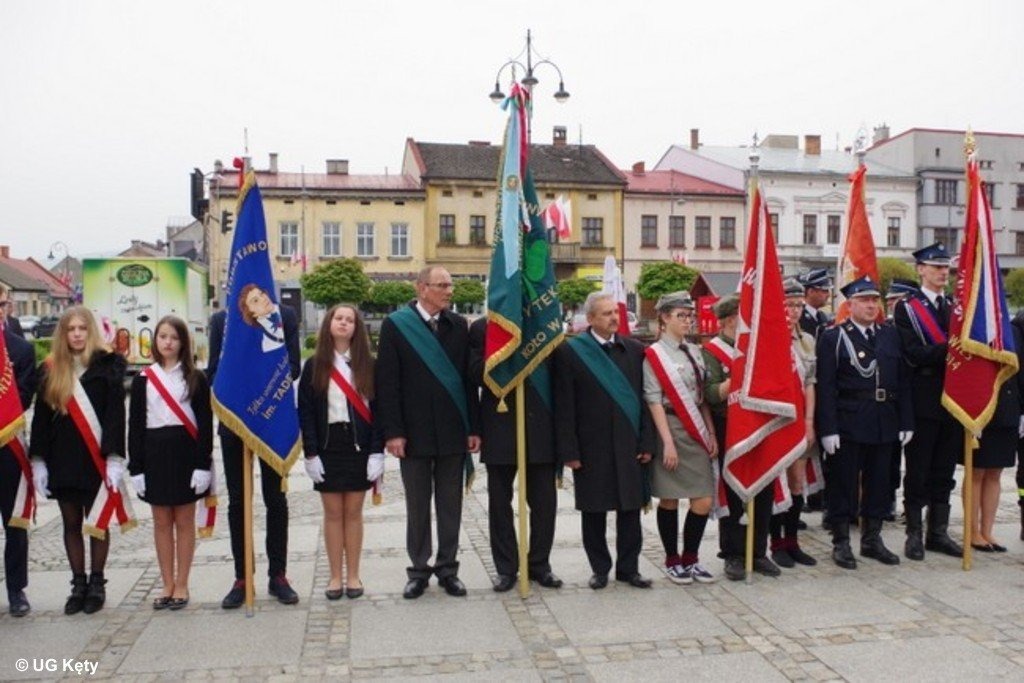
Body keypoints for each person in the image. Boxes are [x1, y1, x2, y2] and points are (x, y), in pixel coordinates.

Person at [375, 266, 480, 599]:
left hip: (452, 431)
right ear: (421, 288)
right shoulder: (396, 326)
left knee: (451, 505)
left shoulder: (458, 325)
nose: (449, 291)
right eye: (442, 285)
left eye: (451, 284)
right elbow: (387, 383)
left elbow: (466, 381)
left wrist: (473, 427)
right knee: (418, 505)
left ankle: (448, 569)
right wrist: (393, 432)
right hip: (413, 433)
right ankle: (419, 570)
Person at [30, 306, 127, 614]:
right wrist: (38, 460)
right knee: (71, 523)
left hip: (95, 458)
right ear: (63, 333)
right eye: (70, 329)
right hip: (63, 458)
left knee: (97, 522)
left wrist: (114, 457)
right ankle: (78, 584)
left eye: (82, 329)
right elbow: (41, 419)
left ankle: (97, 584)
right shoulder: (50, 369)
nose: (76, 334)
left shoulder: (108, 366)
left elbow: (115, 416)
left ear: (91, 332)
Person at [554, 292, 655, 590]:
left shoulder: (634, 350)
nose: (614, 318)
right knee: (594, 510)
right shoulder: (571, 352)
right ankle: (600, 569)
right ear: (592, 319)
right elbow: (565, 405)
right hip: (590, 445)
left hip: (628, 443)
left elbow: (645, 400)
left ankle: (629, 568)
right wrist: (569, 450)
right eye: (607, 313)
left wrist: (647, 442)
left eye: (616, 312)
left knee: (629, 509)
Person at [207, 299, 302, 608]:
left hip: (270, 417)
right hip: (235, 421)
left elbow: (295, 365)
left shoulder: (283, 316)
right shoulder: (222, 321)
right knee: (238, 501)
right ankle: (241, 577)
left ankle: (278, 575)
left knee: (275, 499)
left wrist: (262, 389)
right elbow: (213, 372)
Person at [817, 276, 913, 569]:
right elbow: (826, 387)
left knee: (880, 482)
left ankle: (872, 539)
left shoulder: (890, 335)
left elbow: (903, 381)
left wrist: (906, 420)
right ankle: (842, 541)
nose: (871, 305)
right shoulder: (834, 337)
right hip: (849, 420)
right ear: (850, 304)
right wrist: (828, 428)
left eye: (875, 300)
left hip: (885, 419)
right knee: (843, 483)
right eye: (864, 300)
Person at [468, 317, 562, 592]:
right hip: (499, 426)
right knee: (499, 503)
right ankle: (506, 568)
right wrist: (506, 354)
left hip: (542, 428)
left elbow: (559, 381)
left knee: (544, 503)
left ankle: (540, 565)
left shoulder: (546, 326)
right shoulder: (483, 327)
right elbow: (473, 373)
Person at [298, 304, 383, 600]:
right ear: (329, 323)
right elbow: (306, 412)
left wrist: (377, 452)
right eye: (339, 318)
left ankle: (354, 575)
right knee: (333, 513)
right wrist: (310, 453)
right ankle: (335, 576)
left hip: (358, 446)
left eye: (350, 320)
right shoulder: (314, 365)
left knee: (354, 512)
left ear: (357, 328)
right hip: (327, 445)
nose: (344, 323)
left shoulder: (368, 364)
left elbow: (379, 411)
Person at [128, 316, 213, 610]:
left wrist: (203, 465)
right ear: (155, 341)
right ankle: (166, 582)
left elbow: (204, 424)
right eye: (162, 336)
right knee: (162, 521)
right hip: (154, 454)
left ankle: (182, 583)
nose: (167, 342)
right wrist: (135, 468)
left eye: (173, 337)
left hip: (186, 454)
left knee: (184, 521)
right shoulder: (143, 380)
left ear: (183, 342)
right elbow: (135, 426)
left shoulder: (196, 378)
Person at [893, 243, 963, 560]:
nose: (942, 272)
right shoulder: (907, 308)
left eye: (945, 267)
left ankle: (938, 532)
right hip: (922, 398)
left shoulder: (953, 307)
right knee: (918, 471)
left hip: (952, 399)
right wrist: (950, 348)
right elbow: (911, 354)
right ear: (920, 269)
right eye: (936, 267)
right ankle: (914, 534)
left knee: (944, 471)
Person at [702, 295, 779, 581]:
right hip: (729, 426)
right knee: (733, 490)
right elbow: (710, 393)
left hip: (759, 423)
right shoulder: (711, 351)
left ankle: (758, 551)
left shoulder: (760, 348)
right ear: (730, 320)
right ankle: (733, 553)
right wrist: (741, 376)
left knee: (763, 486)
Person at [643, 291, 717, 585]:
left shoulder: (696, 350)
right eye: (681, 315)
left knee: (702, 498)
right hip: (670, 428)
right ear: (664, 318)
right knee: (670, 499)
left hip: (696, 429)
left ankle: (692, 557)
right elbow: (653, 400)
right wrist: (668, 443)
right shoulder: (654, 355)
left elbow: (701, 398)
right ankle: (673, 559)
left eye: (690, 315)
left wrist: (710, 431)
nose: (688, 320)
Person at [769, 279, 819, 568]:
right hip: (778, 420)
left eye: (799, 305)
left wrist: (810, 421)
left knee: (797, 482)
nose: (795, 310)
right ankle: (776, 543)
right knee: (779, 482)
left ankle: (792, 541)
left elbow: (810, 383)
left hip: (801, 418)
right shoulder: (771, 339)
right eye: (789, 304)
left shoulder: (807, 340)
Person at [963, 317, 1024, 553]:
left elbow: (1020, 370)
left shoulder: (1013, 331)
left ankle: (988, 530)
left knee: (995, 473)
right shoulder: (975, 327)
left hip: (1009, 405)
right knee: (977, 471)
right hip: (982, 406)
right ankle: (973, 531)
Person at [1, 284, 38, 616]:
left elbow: (23, 398)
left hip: (7, 446)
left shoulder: (22, 351)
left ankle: (16, 590)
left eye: (0, 305)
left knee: (15, 522)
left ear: (8, 307)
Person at [796, 268, 833, 339]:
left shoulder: (822, 316)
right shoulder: (798, 315)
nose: (828, 295)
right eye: (824, 290)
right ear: (811, 292)